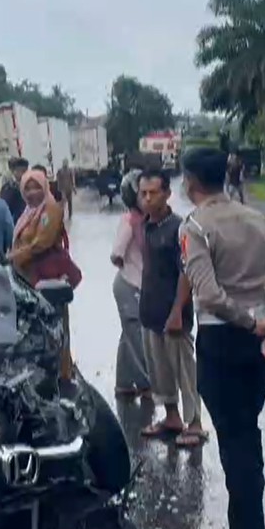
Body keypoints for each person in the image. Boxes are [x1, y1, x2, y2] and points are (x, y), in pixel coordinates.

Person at [180, 146, 265, 529]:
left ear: (190, 181)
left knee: (236, 441)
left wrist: (251, 324)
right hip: (260, 344)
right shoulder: (256, 219)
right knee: (246, 433)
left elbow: (209, 296)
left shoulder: (195, 226)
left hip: (223, 340)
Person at [137, 170, 207, 449]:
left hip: (174, 315)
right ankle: (171, 417)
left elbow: (186, 272)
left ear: (167, 194)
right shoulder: (146, 225)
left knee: (185, 373)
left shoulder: (179, 228)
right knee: (160, 372)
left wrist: (178, 311)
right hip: (150, 313)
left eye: (153, 192)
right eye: (143, 193)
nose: (147, 198)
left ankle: (195, 424)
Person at [8, 169, 74, 377]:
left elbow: (41, 243)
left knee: (56, 324)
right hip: (29, 279)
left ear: (45, 186)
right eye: (27, 188)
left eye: (36, 186)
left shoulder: (50, 210)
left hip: (48, 279)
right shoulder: (29, 211)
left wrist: (13, 257)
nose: (32, 192)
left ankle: (62, 373)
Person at [111, 170, 150, 397]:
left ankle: (123, 384)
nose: (148, 198)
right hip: (129, 285)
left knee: (128, 335)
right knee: (136, 336)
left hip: (136, 284)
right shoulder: (130, 221)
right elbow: (116, 254)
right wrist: (133, 266)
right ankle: (145, 384)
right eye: (142, 193)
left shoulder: (146, 220)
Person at [0, 157, 29, 223]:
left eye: (24, 171)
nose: (22, 174)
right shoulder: (8, 188)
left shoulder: (30, 185)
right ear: (14, 171)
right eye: (20, 171)